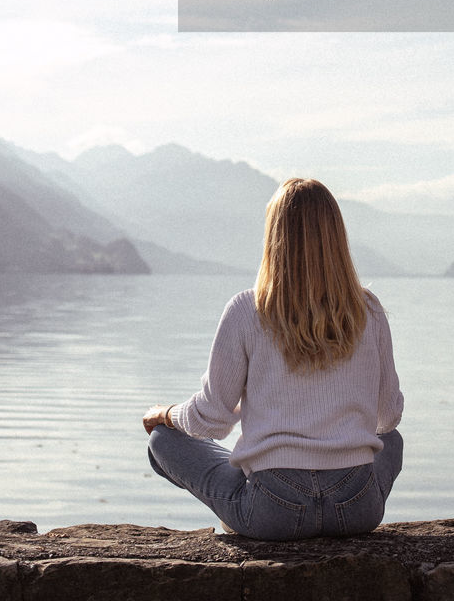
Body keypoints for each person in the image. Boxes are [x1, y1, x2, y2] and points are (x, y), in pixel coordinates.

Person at [143, 177, 404, 540]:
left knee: (163, 442)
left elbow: (211, 420)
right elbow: (388, 417)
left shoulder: (246, 310)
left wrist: (167, 414)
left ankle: (239, 510)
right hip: (357, 508)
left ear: (274, 238)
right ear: (336, 237)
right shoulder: (369, 311)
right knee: (392, 440)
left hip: (275, 512)